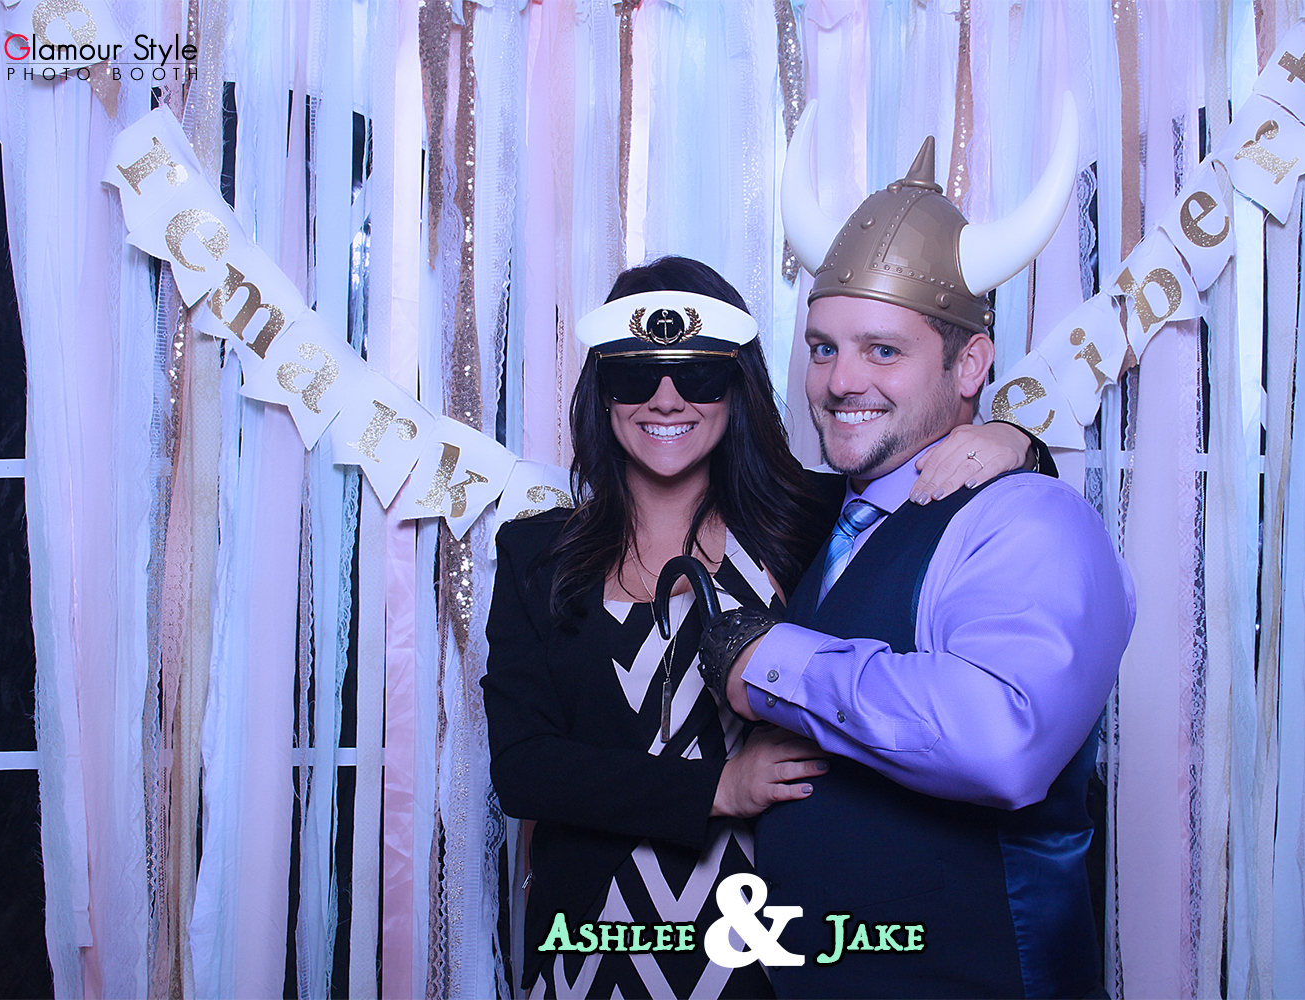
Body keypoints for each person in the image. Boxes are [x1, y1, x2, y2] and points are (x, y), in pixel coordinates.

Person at [482, 256, 1043, 998]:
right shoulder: (536, 553)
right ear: (603, 391)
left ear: (736, 385)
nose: (666, 399)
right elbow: (525, 767)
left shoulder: (820, 520)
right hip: (596, 943)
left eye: (698, 375)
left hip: (782, 941)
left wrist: (1016, 442)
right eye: (636, 375)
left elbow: (964, 522)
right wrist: (715, 788)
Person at [708, 101, 1136, 999]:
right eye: (823, 348)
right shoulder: (837, 512)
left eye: (882, 351)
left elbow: (998, 742)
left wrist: (775, 663)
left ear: (971, 365)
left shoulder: (1031, 520)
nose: (840, 381)